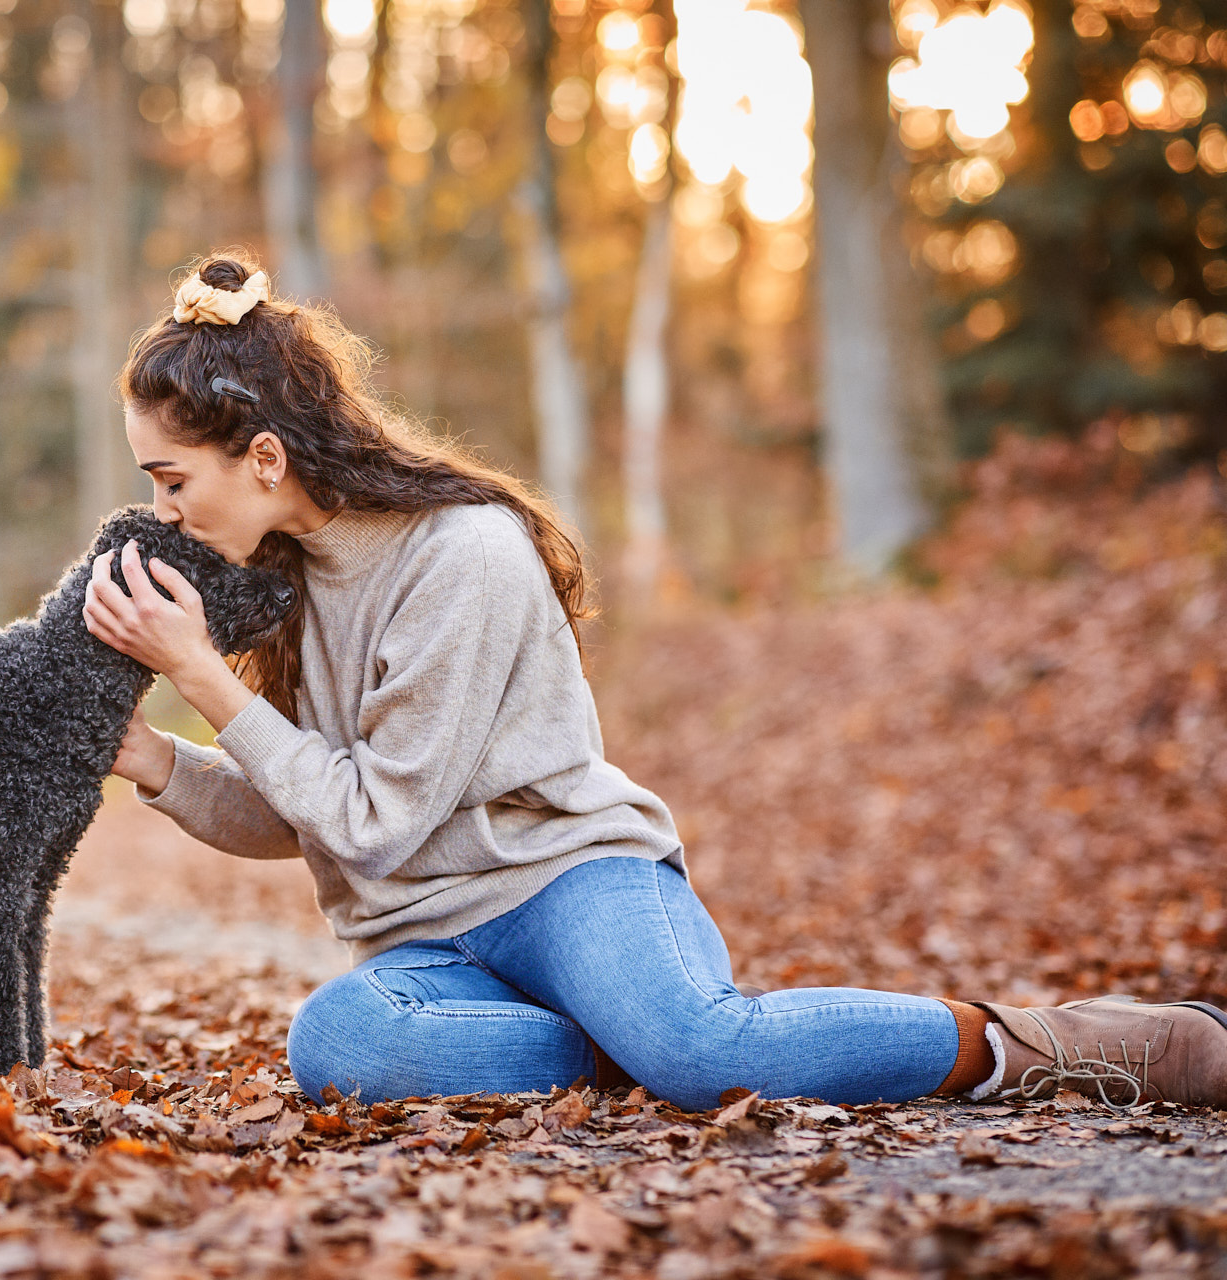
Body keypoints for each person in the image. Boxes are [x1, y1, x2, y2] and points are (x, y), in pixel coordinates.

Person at [80, 250, 1227, 1112]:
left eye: (173, 478)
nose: (166, 508)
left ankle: (1057, 1040)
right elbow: (309, 805)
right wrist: (157, 758)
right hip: (427, 944)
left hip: (568, 883)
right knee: (343, 1046)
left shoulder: (459, 554)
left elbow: (372, 820)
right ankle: (618, 1043)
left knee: (708, 1051)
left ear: (264, 458)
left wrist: (199, 677)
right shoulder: (293, 584)